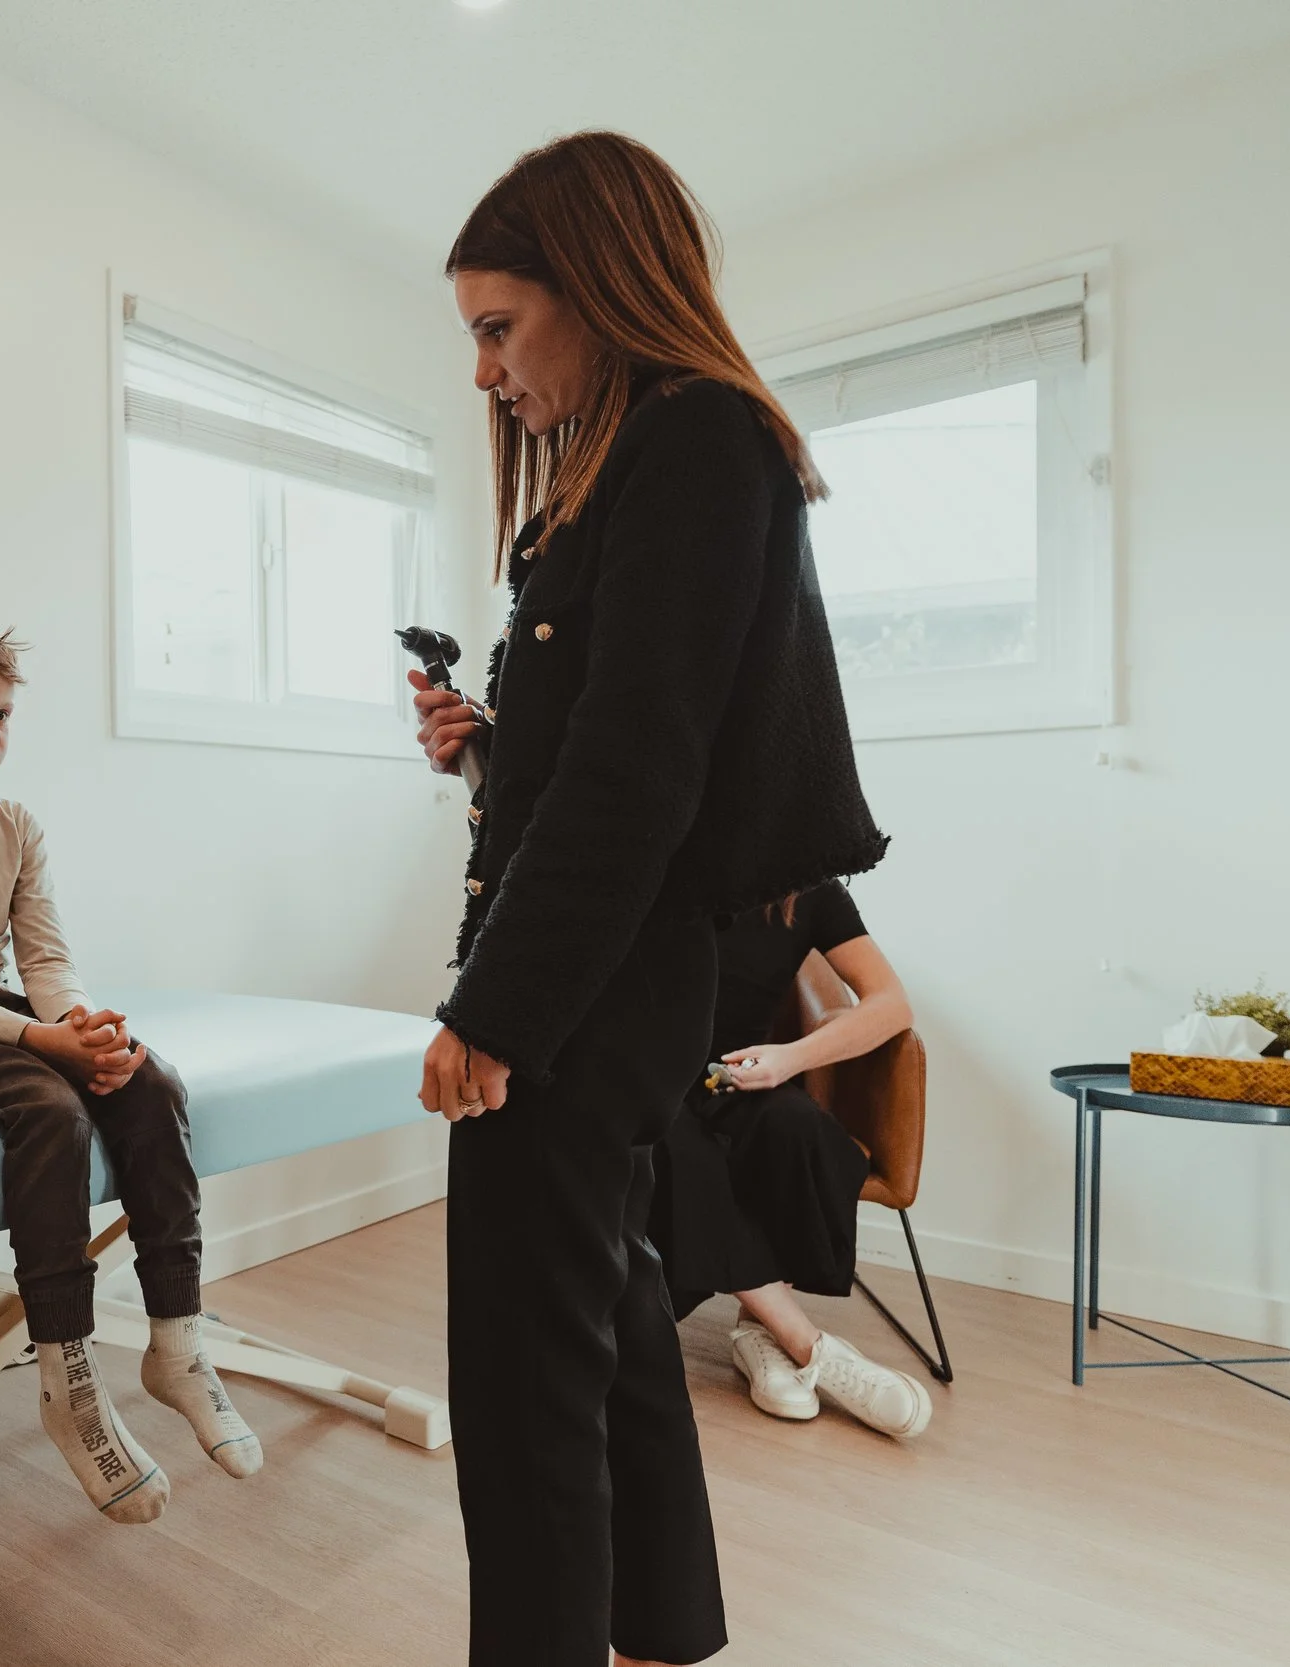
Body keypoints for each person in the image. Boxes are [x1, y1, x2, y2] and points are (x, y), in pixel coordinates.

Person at [412, 133, 887, 1667]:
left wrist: (493, 1010)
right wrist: (483, 747)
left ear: (600, 285)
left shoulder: (692, 440)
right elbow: (606, 753)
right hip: (614, 973)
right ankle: (664, 1628)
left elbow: (634, 781)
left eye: (500, 326)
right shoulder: (641, 463)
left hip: (589, 984)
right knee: (606, 1314)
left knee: (522, 1371)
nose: (485, 371)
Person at [0, 611, 260, 1523]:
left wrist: (80, 1026)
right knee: (46, 1108)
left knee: (148, 1079)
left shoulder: (18, 824)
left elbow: (47, 958)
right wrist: (41, 1044)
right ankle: (69, 1376)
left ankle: (178, 1342)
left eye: (1, 715)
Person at [649, 884, 934, 1439]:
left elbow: (891, 1003)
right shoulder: (662, 868)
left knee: (799, 1129)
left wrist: (790, 1059)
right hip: (647, 1082)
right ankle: (811, 1348)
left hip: (730, 1081)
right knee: (680, 1152)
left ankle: (758, 1330)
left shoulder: (814, 892)